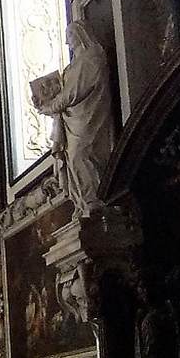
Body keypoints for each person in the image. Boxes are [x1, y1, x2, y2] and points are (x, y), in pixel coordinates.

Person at [33, 20, 114, 218]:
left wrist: (50, 107)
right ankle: (82, 201)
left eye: (70, 35)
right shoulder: (73, 66)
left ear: (81, 34)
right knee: (73, 157)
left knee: (80, 155)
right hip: (72, 121)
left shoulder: (91, 58)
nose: (68, 42)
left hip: (89, 118)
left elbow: (73, 93)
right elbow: (63, 92)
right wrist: (43, 102)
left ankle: (93, 198)